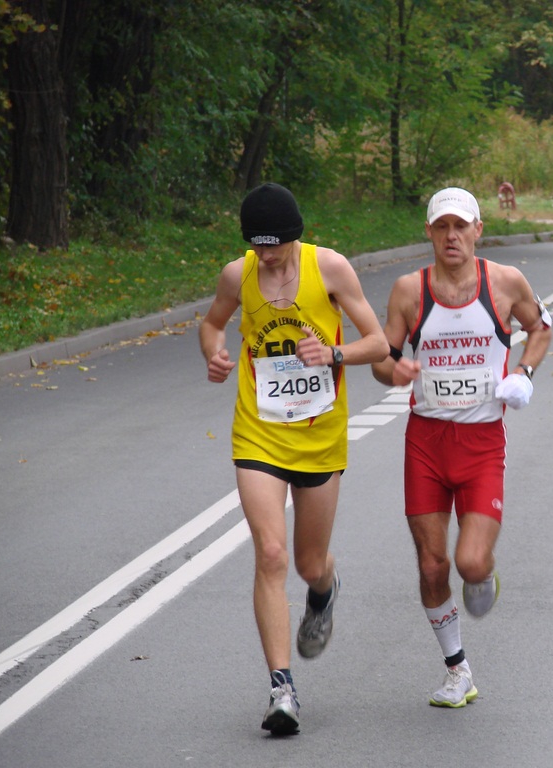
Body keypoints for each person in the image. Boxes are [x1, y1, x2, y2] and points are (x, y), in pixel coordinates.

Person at [199, 182, 389, 735]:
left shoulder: (329, 269)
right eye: (258, 248)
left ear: (296, 236)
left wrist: (333, 353)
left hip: (319, 434)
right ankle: (282, 689)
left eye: (276, 247)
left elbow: (377, 342)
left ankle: (325, 590)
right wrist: (213, 351)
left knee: (308, 563)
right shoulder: (238, 275)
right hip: (258, 432)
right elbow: (212, 322)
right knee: (272, 552)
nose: (268, 257)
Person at [371, 187, 552, 709]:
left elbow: (540, 328)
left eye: (461, 226)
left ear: (477, 230)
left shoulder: (504, 282)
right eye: (441, 227)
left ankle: (482, 571)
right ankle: (458, 670)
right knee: (431, 566)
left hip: (480, 442)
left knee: (470, 564)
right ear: (429, 233)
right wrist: (394, 369)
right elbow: (384, 357)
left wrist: (524, 372)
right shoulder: (409, 290)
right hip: (425, 442)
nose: (451, 236)